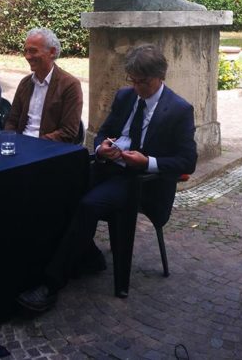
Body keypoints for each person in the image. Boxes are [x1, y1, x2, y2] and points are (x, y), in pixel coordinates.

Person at [17, 44, 197, 312]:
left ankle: (51, 283)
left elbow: (187, 161)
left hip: (140, 181)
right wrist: (102, 148)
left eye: (143, 82)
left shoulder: (179, 109)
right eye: (132, 80)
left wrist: (147, 162)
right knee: (58, 189)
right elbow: (104, 132)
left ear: (160, 76)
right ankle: (85, 256)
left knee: (89, 205)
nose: (137, 88)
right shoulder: (125, 96)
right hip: (110, 167)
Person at [4, 27, 82, 143]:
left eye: (33, 51)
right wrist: (11, 141)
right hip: (20, 144)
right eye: (26, 51)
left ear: (52, 52)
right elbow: (12, 121)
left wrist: (35, 144)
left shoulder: (70, 85)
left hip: (48, 149)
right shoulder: (25, 83)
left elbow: (68, 131)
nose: (27, 56)